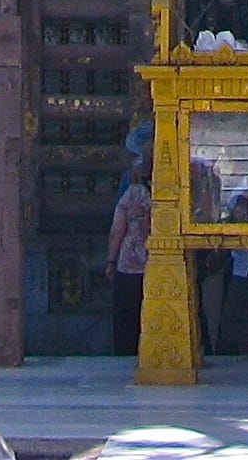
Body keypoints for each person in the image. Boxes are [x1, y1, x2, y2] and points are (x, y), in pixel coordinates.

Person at [105, 144, 153, 356]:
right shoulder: (170, 195)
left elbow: (117, 230)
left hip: (129, 265)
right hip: (159, 265)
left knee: (127, 317)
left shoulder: (132, 195)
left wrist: (110, 261)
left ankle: (126, 354)